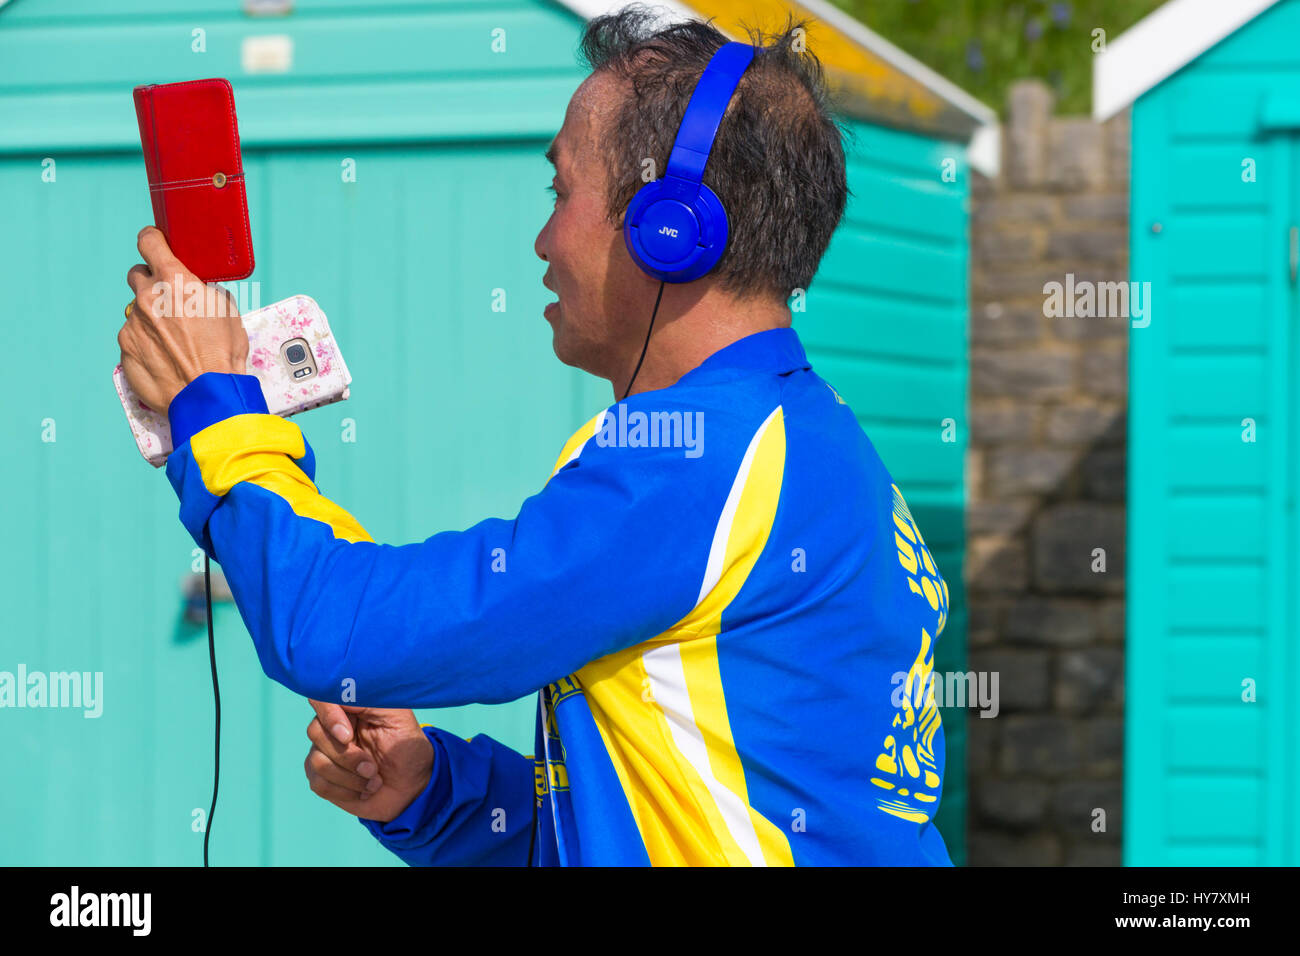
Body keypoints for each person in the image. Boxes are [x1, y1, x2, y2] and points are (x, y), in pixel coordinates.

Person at [117, 7, 953, 866]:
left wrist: (212, 408)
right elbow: (660, 821)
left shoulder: (699, 458)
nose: (543, 239)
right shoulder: (816, 443)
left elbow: (327, 627)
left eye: (560, 193)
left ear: (670, 225)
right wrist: (433, 792)